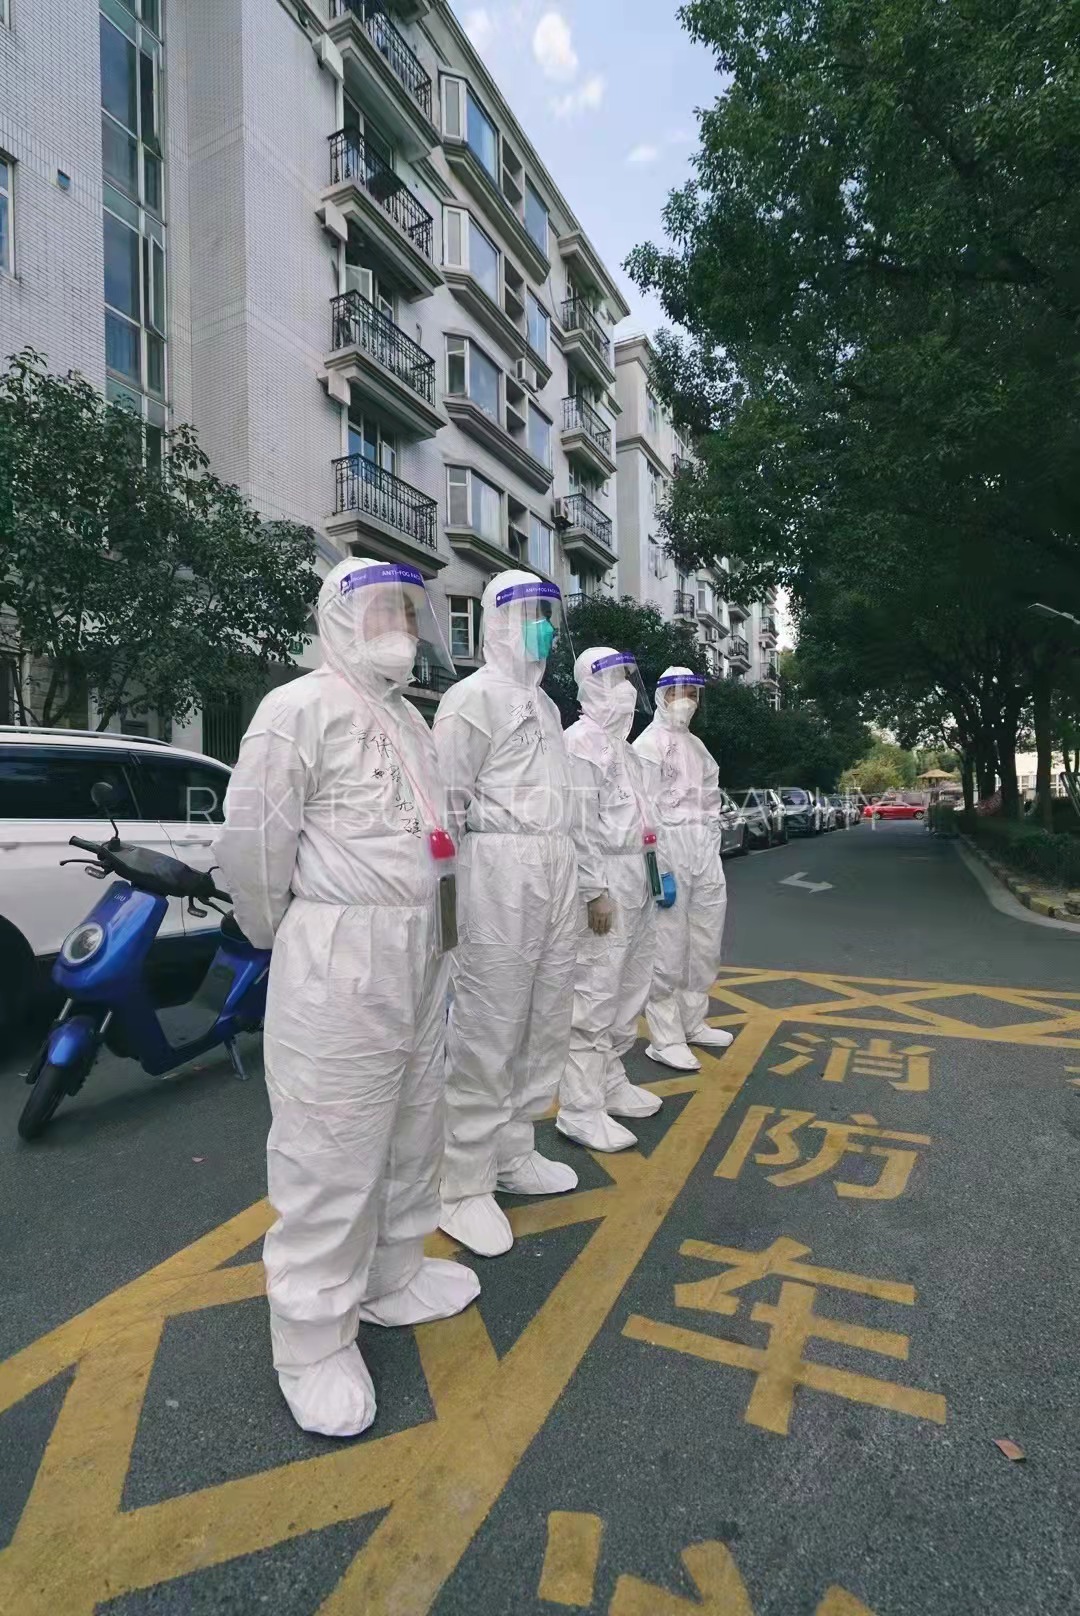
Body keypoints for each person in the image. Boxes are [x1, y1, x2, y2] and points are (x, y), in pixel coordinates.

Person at [214, 558, 480, 1439]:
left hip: (420, 947)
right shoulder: (297, 709)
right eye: (379, 610)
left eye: (406, 610)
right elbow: (253, 847)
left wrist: (442, 934)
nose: (396, 624)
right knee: (331, 1148)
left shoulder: (410, 719)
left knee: (413, 1124)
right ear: (336, 617)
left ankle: (392, 1275)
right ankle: (312, 1338)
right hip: (342, 950)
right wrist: (286, 934)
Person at [433, 570, 606, 1257]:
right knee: (490, 1022)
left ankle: (514, 1151)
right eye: (528, 612)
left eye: (546, 613)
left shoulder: (548, 707)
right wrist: (441, 907)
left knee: (544, 1014)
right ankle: (461, 1183)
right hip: (497, 869)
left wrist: (586, 881)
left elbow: (567, 803)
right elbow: (442, 809)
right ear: (495, 620)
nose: (541, 626)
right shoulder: (469, 699)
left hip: (553, 865)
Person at [557, 648, 664, 1152]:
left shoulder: (623, 750)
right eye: (612, 679)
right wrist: (594, 890)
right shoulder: (579, 743)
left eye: (626, 678)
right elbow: (578, 826)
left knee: (630, 985)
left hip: (637, 872)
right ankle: (580, 1108)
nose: (622, 689)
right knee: (595, 991)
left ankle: (611, 1080)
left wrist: (657, 871)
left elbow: (644, 817)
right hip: (606, 877)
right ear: (588, 685)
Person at [633, 667, 734, 1072]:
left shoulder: (698, 747)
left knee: (705, 941)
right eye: (679, 693)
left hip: (702, 851)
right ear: (662, 696)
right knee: (667, 946)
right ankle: (666, 1038)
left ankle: (693, 1022)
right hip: (668, 848)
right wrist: (655, 865)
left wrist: (710, 845)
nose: (687, 701)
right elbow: (641, 811)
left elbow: (711, 802)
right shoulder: (647, 745)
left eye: (693, 694)